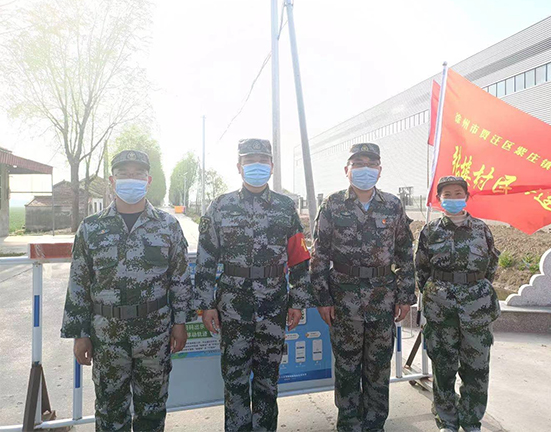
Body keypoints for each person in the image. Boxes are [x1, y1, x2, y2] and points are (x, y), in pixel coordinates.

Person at [61, 149, 194, 431]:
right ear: (112, 180)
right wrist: (79, 334)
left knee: (152, 411)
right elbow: (79, 283)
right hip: (107, 336)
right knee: (110, 412)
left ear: (148, 180)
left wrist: (180, 323)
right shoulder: (91, 228)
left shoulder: (167, 226)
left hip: (154, 334)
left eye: (138, 174)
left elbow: (180, 279)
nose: (131, 179)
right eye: (124, 174)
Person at [196, 138, 311, 432]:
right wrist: (206, 304)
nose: (256, 165)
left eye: (262, 160)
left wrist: (298, 302)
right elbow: (206, 259)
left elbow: (299, 259)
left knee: (267, 381)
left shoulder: (285, 207)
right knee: (234, 381)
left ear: (271, 166)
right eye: (250, 160)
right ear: (239, 166)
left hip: (274, 306)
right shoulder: (220, 206)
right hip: (233, 307)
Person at [310, 143, 416, 432]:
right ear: (347, 170)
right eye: (358, 164)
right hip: (344, 297)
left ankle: (374, 424)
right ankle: (348, 424)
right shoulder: (332, 204)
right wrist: (322, 298)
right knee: (347, 367)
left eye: (371, 164)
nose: (364, 169)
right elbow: (319, 254)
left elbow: (404, 252)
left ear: (379, 170)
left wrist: (406, 295)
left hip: (383, 297)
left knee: (379, 366)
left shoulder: (392, 205)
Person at [415, 175, 501, 432]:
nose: (453, 198)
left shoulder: (481, 229)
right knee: (443, 368)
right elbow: (422, 269)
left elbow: (491, 266)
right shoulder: (430, 231)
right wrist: (437, 293)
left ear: (466, 196)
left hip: (477, 309)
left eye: (458, 193)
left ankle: (471, 421)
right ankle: (447, 421)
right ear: (439, 199)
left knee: (477, 369)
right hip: (441, 310)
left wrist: (473, 288)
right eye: (447, 195)